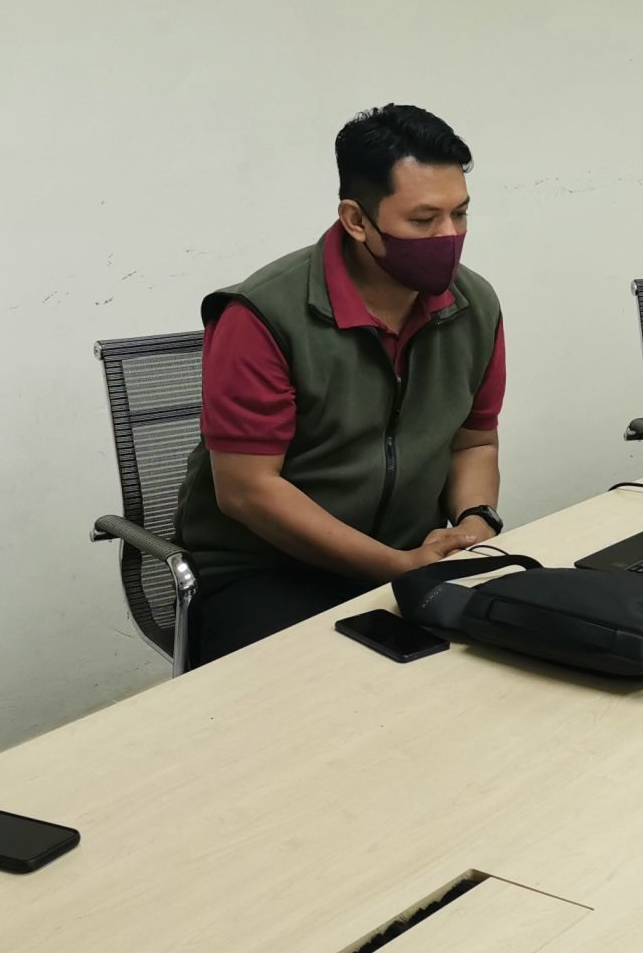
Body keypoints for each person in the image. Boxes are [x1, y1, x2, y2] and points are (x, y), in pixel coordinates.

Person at [175, 103, 507, 666]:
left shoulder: (473, 305)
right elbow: (248, 490)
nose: (449, 236)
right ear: (357, 220)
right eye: (423, 220)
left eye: (460, 213)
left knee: (510, 662)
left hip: (411, 556)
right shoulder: (261, 316)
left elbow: (474, 442)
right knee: (319, 694)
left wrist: (476, 522)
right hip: (267, 570)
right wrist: (392, 566)